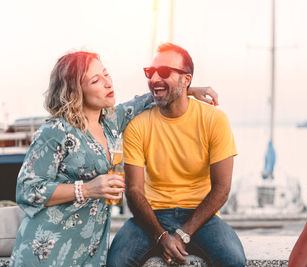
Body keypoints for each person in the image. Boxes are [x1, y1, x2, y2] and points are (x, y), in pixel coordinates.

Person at [9, 51, 217, 266]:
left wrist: (187, 89)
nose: (108, 83)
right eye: (96, 80)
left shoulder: (109, 123)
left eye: (106, 74)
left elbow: (143, 101)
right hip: (46, 252)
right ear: (75, 91)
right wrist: (86, 189)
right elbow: (26, 190)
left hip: (88, 253)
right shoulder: (56, 130)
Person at [107, 43, 246, 267]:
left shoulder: (214, 120)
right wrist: (160, 236)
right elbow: (133, 191)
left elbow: (221, 189)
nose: (154, 79)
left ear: (186, 79)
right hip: (150, 216)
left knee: (234, 260)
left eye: (163, 72)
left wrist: (183, 233)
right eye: (150, 73)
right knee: (117, 261)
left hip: (201, 216)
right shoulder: (137, 125)